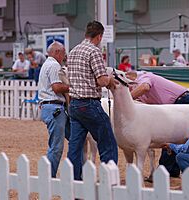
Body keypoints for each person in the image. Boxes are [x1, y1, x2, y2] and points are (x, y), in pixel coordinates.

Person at [67, 20, 118, 180]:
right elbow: (103, 81)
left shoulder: (73, 51)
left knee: (75, 147)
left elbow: (80, 77)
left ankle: (75, 182)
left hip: (74, 104)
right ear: (99, 36)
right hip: (89, 103)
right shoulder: (94, 51)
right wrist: (110, 79)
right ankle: (109, 180)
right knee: (108, 141)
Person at [125, 70, 189, 178]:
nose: (128, 90)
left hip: (181, 101)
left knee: (170, 136)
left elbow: (145, 87)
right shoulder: (139, 92)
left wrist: (126, 99)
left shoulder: (143, 77)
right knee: (173, 137)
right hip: (175, 105)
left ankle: (164, 170)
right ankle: (172, 170)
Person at [38, 41, 70, 178]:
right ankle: (48, 177)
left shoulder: (47, 64)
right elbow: (56, 87)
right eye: (63, 53)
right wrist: (73, 86)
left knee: (75, 139)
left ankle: (76, 172)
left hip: (51, 107)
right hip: (55, 108)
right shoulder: (54, 65)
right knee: (56, 147)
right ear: (57, 52)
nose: (64, 56)